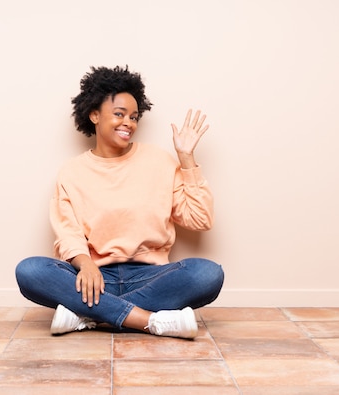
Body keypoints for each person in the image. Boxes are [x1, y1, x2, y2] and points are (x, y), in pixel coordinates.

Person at [15, 65, 224, 339]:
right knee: (30, 271)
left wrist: (186, 158)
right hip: (93, 279)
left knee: (207, 274)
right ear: (94, 115)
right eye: (119, 114)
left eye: (134, 117)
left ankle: (90, 316)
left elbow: (200, 219)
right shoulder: (72, 171)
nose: (129, 123)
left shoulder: (160, 161)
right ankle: (150, 320)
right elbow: (68, 234)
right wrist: (87, 265)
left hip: (151, 277)